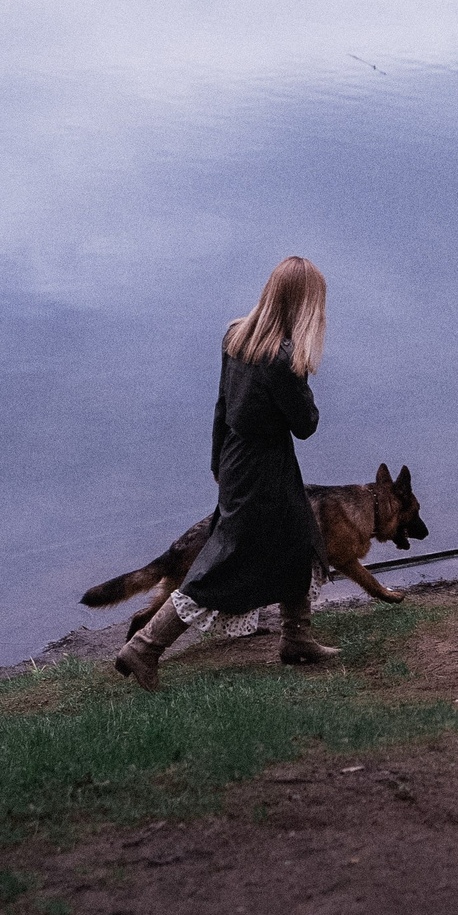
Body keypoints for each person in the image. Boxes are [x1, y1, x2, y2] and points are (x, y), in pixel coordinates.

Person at [116, 256, 339, 689]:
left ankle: (296, 639)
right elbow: (306, 426)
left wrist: (218, 462)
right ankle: (143, 647)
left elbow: (222, 406)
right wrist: (305, 374)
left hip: (239, 461)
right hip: (265, 472)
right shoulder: (283, 359)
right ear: (305, 306)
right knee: (223, 565)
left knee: (301, 541)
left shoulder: (236, 336)